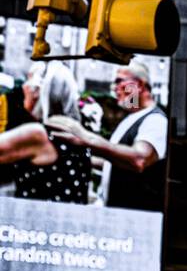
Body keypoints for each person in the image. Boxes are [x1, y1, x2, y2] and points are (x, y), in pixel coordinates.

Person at [48, 61, 167, 213]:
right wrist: (77, 158)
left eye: (120, 81)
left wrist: (87, 139)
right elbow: (115, 162)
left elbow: (139, 159)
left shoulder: (155, 120)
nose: (114, 88)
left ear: (140, 85)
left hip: (132, 219)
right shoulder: (132, 118)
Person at [15, 61, 92, 203]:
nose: (24, 87)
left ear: (37, 92)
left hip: (36, 221)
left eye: (28, 80)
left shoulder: (37, 134)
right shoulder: (72, 133)